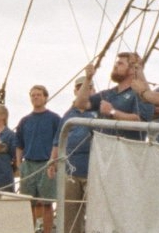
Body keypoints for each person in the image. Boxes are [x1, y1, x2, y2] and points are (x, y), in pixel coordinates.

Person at [73, 52, 152, 141]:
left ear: (133, 69)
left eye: (120, 63)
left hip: (126, 150)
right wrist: (88, 79)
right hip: (101, 149)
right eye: (116, 63)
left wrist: (112, 112)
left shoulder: (142, 93)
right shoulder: (108, 93)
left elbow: (141, 121)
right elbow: (80, 104)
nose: (115, 66)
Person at [15, 85, 60, 233]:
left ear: (45, 97)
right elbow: (19, 144)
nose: (35, 97)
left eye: (39, 95)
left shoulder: (54, 119)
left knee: (47, 203)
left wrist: (54, 162)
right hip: (28, 164)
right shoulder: (25, 121)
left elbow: (60, 141)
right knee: (29, 203)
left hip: (47, 164)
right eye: (33, 95)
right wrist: (19, 164)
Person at [62, 78, 97, 233]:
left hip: (94, 168)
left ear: (93, 90)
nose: (85, 90)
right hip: (71, 169)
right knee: (70, 212)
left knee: (96, 211)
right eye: (81, 88)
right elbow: (58, 139)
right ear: (76, 91)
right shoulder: (68, 114)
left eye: (88, 87)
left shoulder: (99, 112)